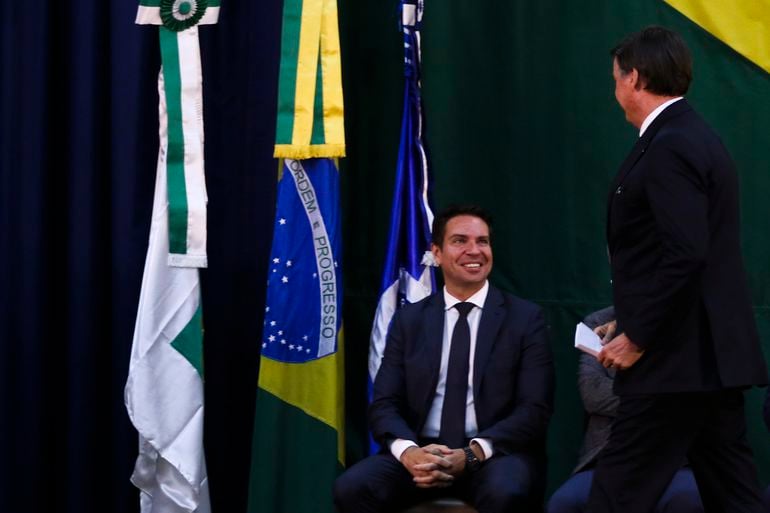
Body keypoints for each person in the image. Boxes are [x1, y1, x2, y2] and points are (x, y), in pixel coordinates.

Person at [587, 26, 768, 513]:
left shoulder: (671, 145)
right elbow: (677, 255)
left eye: (616, 78)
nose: (615, 90)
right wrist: (628, 317)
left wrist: (638, 335)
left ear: (635, 79)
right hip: (704, 360)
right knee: (735, 495)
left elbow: (686, 253)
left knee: (615, 496)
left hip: (674, 364)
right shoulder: (688, 135)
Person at [333, 205, 554, 513]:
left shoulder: (525, 319)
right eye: (460, 241)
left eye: (483, 241)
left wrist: (472, 453)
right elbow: (384, 403)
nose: (474, 251)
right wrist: (410, 452)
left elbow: (534, 410)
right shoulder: (409, 321)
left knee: (507, 492)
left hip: (494, 454)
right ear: (436, 253)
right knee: (353, 487)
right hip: (422, 451)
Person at [547, 307, 702, 513]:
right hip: (606, 458)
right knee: (564, 503)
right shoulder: (600, 322)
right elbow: (592, 394)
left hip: (676, 461)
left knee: (690, 500)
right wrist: (660, 398)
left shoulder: (687, 325)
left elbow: (688, 396)